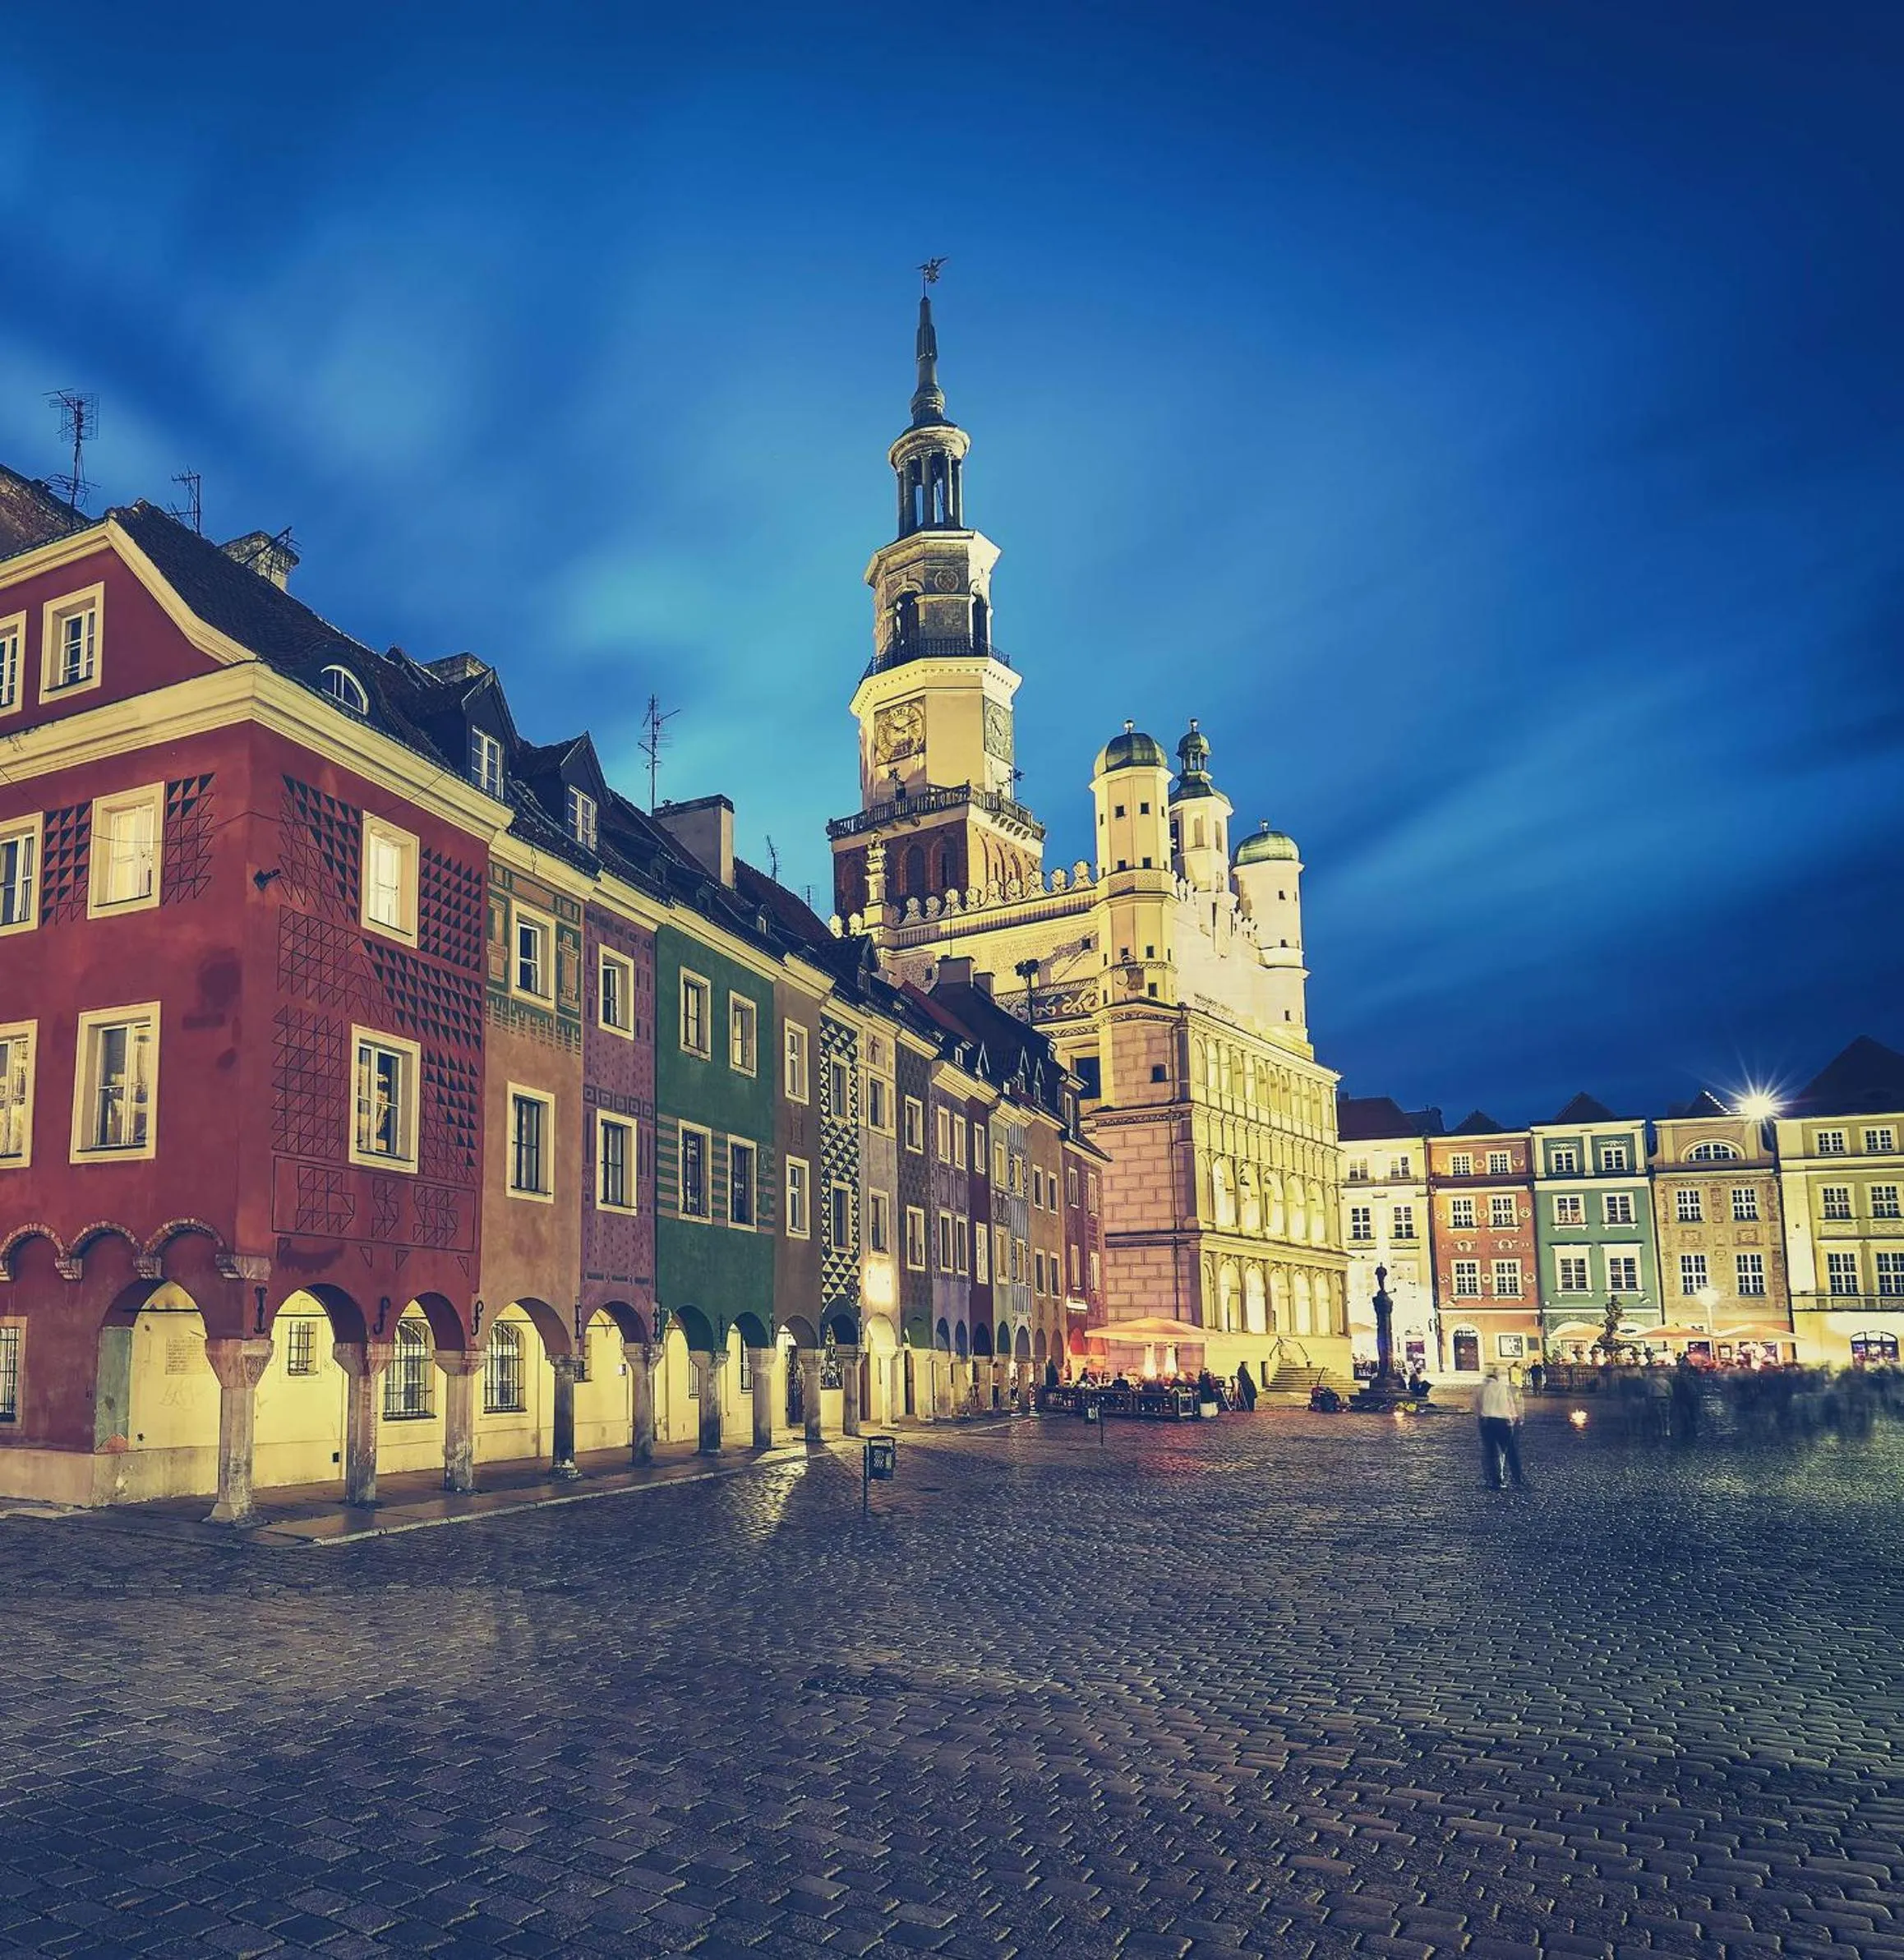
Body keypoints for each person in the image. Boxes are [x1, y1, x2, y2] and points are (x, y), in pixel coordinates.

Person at [1477, 1367, 1525, 1489]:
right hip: (1503, 1422)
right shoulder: (1504, 1388)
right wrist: (1515, 1418)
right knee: (1510, 1451)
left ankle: (1495, 1480)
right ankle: (1517, 1478)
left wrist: (1480, 1419)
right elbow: (1510, 1403)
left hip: (1487, 1421)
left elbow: (1477, 1405)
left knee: (1491, 1452)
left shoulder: (1482, 1389)